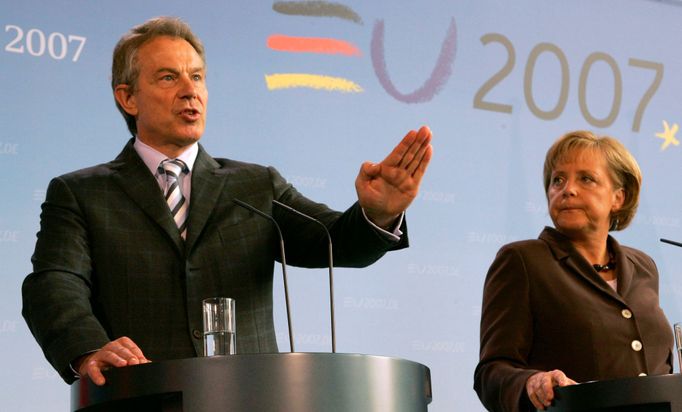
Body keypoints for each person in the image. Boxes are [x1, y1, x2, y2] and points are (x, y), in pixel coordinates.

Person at [21, 16, 433, 386]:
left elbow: (334, 241)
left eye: (197, 77)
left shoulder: (255, 185)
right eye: (168, 78)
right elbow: (55, 284)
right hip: (141, 396)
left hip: (249, 397)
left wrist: (379, 212)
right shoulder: (80, 193)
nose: (189, 91)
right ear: (128, 98)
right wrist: (88, 348)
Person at [473, 131, 673, 412]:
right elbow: (491, 373)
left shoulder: (644, 267)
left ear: (619, 197)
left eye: (586, 179)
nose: (567, 189)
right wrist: (532, 382)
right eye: (558, 180)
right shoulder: (522, 261)